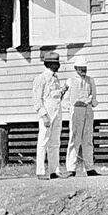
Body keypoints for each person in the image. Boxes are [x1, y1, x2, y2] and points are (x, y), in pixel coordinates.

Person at [32, 51, 68, 180]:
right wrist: (44, 115)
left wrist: (63, 91)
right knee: (43, 142)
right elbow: (37, 99)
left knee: (55, 143)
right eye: (55, 63)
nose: (58, 65)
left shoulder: (55, 78)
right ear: (49, 64)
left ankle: (54, 170)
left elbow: (55, 96)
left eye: (57, 63)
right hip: (47, 114)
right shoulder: (41, 78)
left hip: (57, 113)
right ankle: (40, 171)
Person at [64, 58, 100, 177]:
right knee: (74, 139)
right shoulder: (70, 81)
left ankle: (89, 168)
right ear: (76, 69)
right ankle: (71, 168)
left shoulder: (91, 80)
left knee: (88, 139)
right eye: (81, 68)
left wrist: (91, 101)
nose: (83, 70)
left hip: (88, 110)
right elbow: (65, 100)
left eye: (85, 67)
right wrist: (71, 108)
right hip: (76, 111)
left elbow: (93, 97)